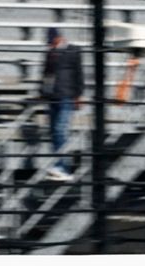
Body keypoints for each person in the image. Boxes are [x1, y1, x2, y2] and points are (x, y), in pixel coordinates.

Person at [41, 27, 85, 181]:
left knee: (60, 130)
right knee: (54, 132)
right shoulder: (50, 53)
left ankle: (63, 167)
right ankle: (58, 165)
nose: (50, 44)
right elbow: (46, 74)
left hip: (67, 96)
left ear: (58, 38)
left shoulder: (73, 51)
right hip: (53, 96)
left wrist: (78, 94)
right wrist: (43, 93)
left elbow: (79, 74)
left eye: (52, 41)